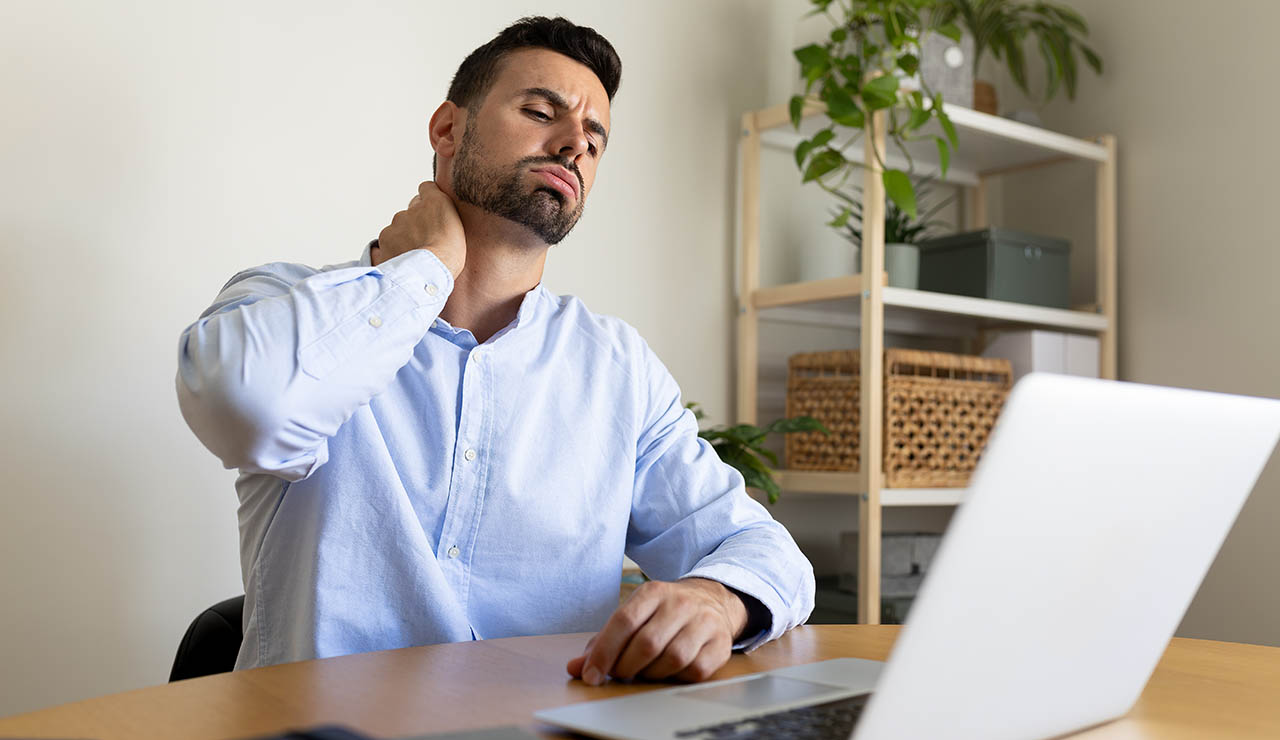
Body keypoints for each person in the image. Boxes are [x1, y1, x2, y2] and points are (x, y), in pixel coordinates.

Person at [176, 16, 814, 685]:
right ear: (449, 130)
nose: (574, 144)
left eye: (595, 141)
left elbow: (764, 552)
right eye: (542, 111)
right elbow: (249, 412)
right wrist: (421, 272)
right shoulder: (284, 304)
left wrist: (715, 600)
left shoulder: (616, 368)